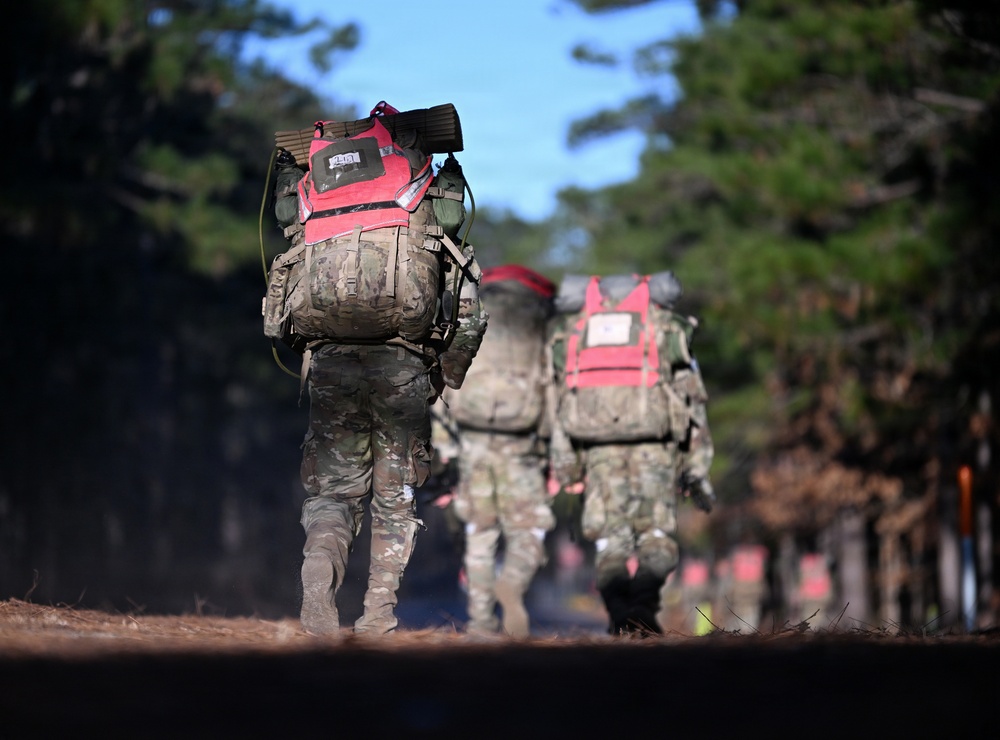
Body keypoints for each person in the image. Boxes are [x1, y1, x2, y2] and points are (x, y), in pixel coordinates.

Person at [265, 103, 487, 636]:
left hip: (331, 361)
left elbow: (278, 317)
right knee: (395, 498)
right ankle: (378, 614)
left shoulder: (319, 203)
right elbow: (470, 312)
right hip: (402, 367)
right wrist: (446, 375)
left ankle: (318, 583)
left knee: (333, 494)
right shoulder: (424, 207)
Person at [547, 272, 715, 635]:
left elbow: (558, 403)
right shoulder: (665, 326)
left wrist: (567, 470)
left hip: (598, 453)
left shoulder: (573, 331)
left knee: (611, 541)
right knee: (656, 536)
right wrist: (696, 467)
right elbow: (693, 400)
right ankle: (643, 603)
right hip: (656, 450)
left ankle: (619, 612)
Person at [441, 265, 557, 637]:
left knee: (480, 532)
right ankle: (512, 581)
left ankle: (480, 621)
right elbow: (554, 388)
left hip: (472, 442)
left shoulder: (470, 314)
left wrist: (443, 447)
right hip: (521, 442)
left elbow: (444, 381)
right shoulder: (539, 321)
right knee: (530, 530)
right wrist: (559, 454)